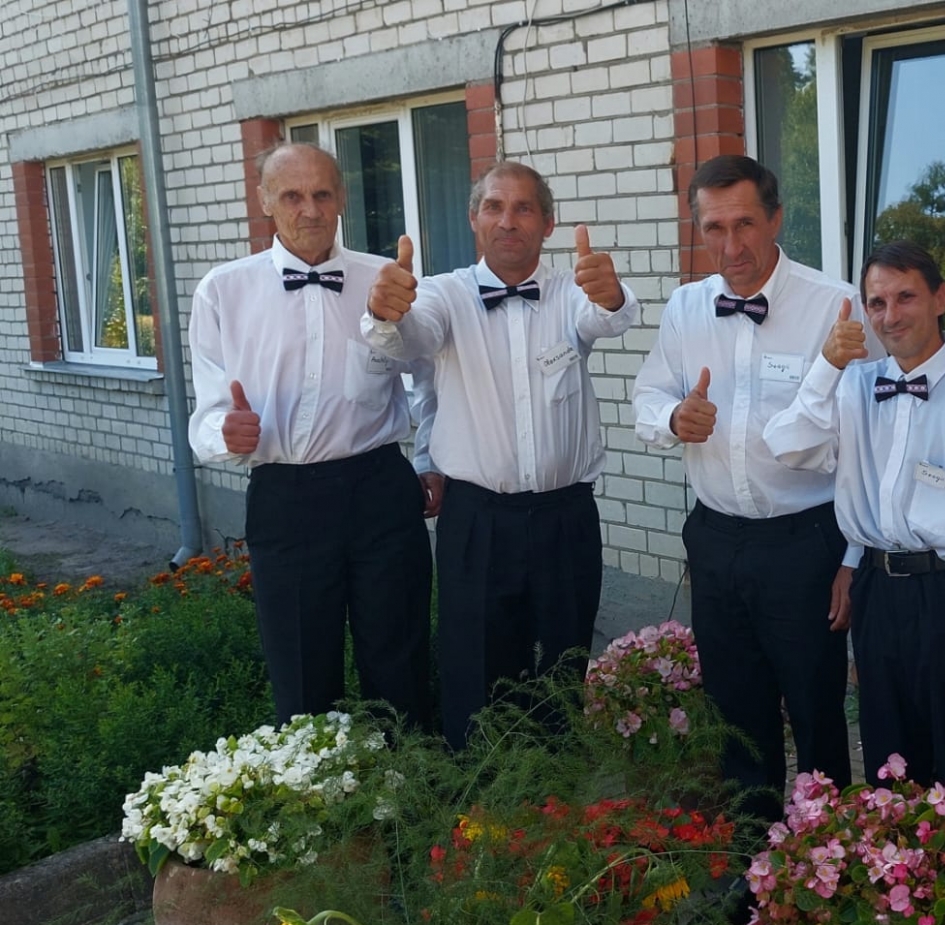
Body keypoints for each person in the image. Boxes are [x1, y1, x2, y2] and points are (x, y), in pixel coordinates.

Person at [632, 154, 883, 829]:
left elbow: (874, 436)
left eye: (744, 223)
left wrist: (852, 555)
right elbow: (647, 394)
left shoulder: (834, 305)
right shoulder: (687, 307)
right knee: (735, 708)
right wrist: (672, 417)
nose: (730, 245)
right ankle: (753, 852)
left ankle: (824, 851)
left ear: (775, 219)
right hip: (716, 538)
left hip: (805, 541)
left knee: (816, 708)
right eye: (713, 228)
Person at [362, 161, 639, 748]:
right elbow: (411, 337)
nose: (508, 221)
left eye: (523, 208)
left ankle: (558, 785)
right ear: (474, 218)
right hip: (477, 519)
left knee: (564, 665)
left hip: (566, 516)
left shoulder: (570, 291)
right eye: (494, 206)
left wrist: (611, 293)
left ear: (548, 224)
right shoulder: (443, 294)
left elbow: (607, 316)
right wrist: (386, 312)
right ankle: (479, 793)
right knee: (474, 670)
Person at [188, 142, 434, 730]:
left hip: (379, 487)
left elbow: (429, 380)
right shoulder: (223, 291)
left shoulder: (385, 280)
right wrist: (226, 431)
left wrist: (430, 460)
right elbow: (208, 413)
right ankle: (316, 783)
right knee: (301, 669)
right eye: (293, 195)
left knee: (400, 659)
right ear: (265, 201)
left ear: (342, 197)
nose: (311, 210)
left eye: (323, 193)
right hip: (286, 497)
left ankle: (410, 777)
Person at [764, 240, 945, 786]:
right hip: (878, 595)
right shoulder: (852, 386)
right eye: (877, 303)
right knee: (888, 761)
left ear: (940, 298)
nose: (890, 315)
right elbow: (786, 445)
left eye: (906, 297)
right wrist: (827, 365)